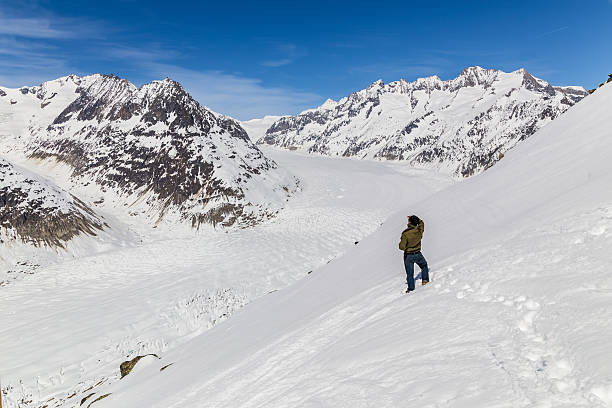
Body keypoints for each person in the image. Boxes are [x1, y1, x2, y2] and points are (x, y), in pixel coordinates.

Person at [399, 215, 429, 293]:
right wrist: (415, 218)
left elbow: (401, 247)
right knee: (424, 266)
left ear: (410, 222)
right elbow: (422, 223)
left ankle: (411, 289)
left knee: (410, 274)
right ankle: (425, 280)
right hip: (418, 253)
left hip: (408, 255)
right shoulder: (419, 231)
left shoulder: (405, 234)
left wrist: (406, 247)